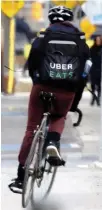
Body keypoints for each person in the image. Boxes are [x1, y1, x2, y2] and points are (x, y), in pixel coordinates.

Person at [9, 6, 90, 193]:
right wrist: (74, 102)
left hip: (43, 87)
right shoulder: (80, 40)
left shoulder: (43, 37)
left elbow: (32, 64)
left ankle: (21, 177)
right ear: (70, 20)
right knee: (59, 116)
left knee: (31, 128)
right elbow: (83, 75)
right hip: (67, 90)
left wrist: (37, 81)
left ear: (51, 20)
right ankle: (52, 142)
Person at [90, 35, 102, 106]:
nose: (98, 41)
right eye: (97, 40)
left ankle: (98, 99)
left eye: (99, 40)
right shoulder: (92, 49)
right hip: (93, 69)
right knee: (93, 85)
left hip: (100, 69)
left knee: (99, 85)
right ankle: (93, 98)